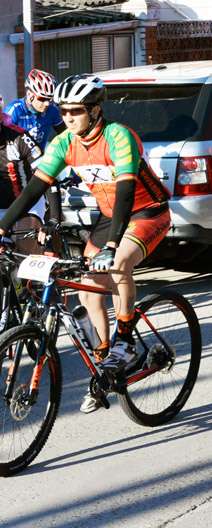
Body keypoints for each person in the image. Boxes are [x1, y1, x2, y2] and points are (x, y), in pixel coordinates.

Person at [0, 74, 172, 413]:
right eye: (63, 112)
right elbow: (33, 188)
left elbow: (125, 194)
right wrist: (2, 228)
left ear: (94, 111)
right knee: (88, 291)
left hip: (146, 211)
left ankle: (126, 342)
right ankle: (106, 364)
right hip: (110, 217)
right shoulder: (64, 143)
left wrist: (111, 247)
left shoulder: (118, 137)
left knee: (119, 262)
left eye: (75, 111)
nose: (67, 117)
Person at [5, 69, 65, 222]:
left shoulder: (51, 110)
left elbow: (66, 137)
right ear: (30, 94)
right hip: (18, 168)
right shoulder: (15, 110)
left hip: (39, 162)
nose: (47, 103)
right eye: (43, 98)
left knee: (54, 214)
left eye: (50, 99)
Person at [0, 112, 45, 254]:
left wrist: (55, 218)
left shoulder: (19, 137)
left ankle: (41, 276)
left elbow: (46, 174)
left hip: (27, 202)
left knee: (25, 248)